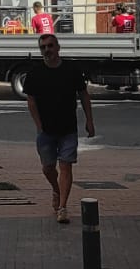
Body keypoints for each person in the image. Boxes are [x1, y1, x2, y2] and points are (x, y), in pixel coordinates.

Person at [24, 33, 96, 224]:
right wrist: (39, 125)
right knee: (48, 167)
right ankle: (55, 189)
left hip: (68, 128)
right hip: (46, 131)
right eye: (43, 48)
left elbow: (83, 94)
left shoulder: (71, 69)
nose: (47, 50)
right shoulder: (35, 73)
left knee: (66, 165)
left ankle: (62, 207)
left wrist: (89, 121)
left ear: (58, 47)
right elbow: (31, 100)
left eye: (50, 46)